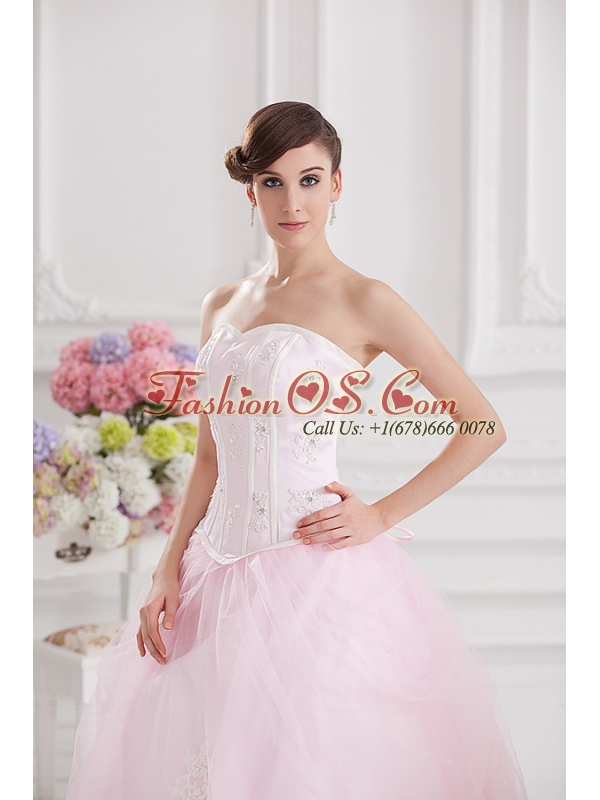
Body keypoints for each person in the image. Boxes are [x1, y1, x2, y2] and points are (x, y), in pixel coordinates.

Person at [65, 101, 528, 799]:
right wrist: (166, 570)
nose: (292, 202)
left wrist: (380, 515)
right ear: (250, 190)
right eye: (273, 182)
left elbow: (483, 426)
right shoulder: (223, 303)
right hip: (210, 576)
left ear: (337, 184)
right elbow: (211, 459)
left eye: (310, 180)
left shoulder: (367, 301)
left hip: (315, 576)